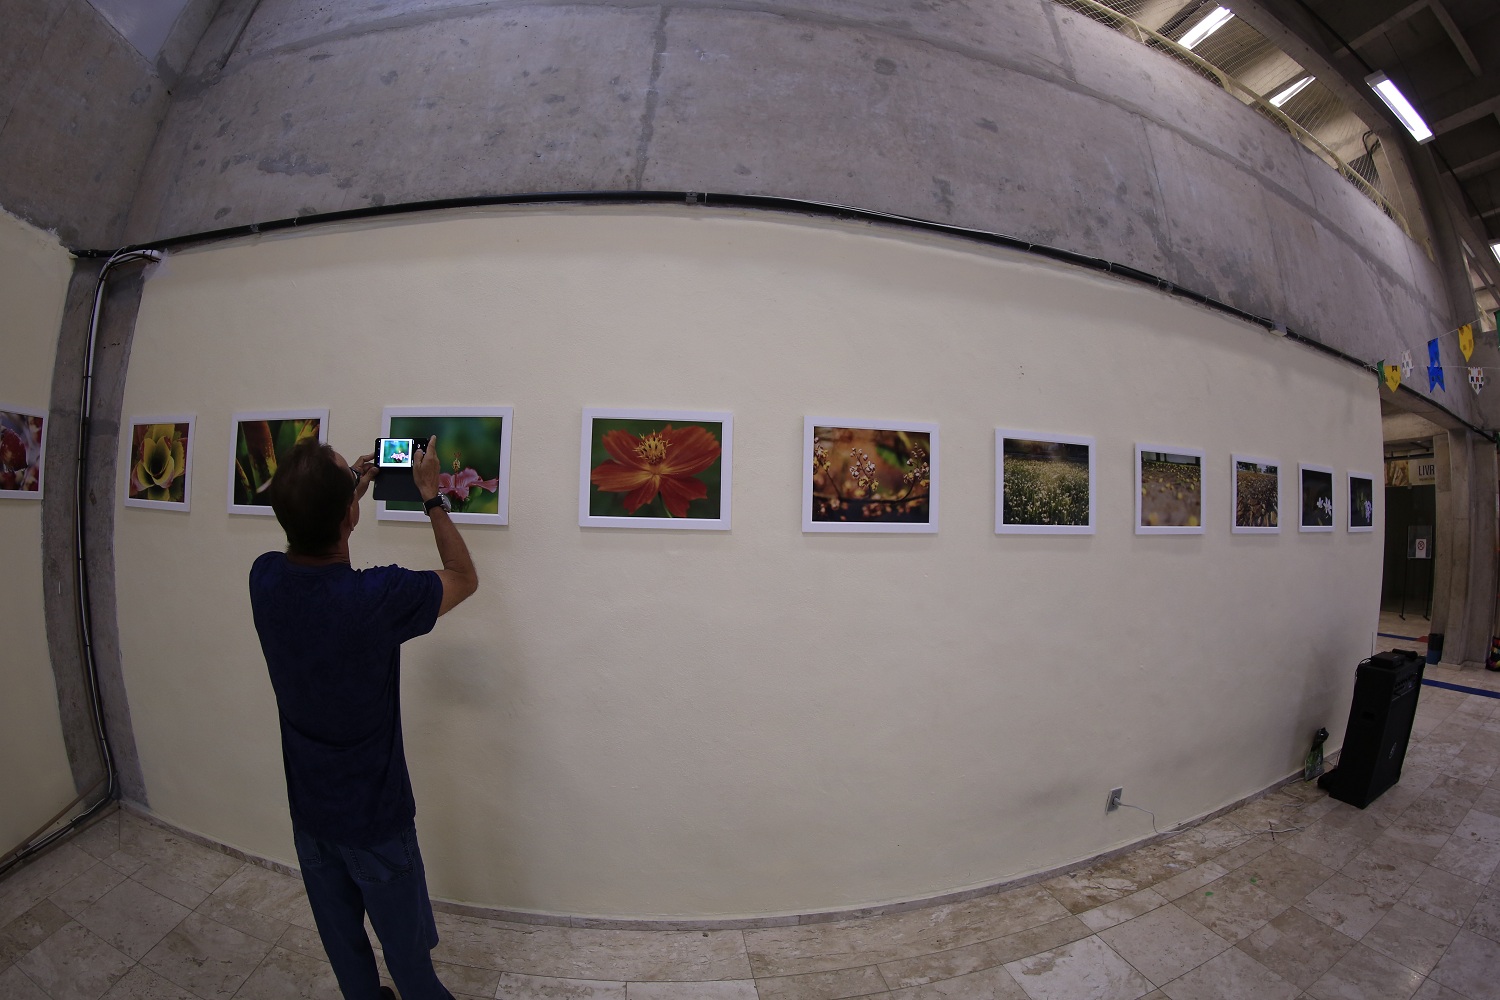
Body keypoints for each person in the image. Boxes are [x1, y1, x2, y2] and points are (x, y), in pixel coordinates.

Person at [249, 436, 478, 1000]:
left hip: (310, 812)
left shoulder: (264, 579)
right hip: (376, 820)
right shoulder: (378, 598)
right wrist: (431, 498)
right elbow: (463, 577)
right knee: (409, 959)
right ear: (352, 512)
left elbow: (306, 544)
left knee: (345, 949)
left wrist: (339, 495)